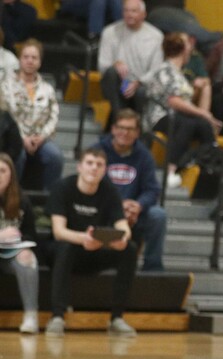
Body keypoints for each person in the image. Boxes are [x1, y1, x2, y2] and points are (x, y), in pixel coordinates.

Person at [44, 148, 139, 337]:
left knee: (130, 249)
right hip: (66, 250)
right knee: (66, 247)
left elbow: (123, 227)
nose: (94, 168)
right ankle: (57, 317)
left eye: (99, 165)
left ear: (104, 170)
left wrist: (121, 239)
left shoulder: (110, 191)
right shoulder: (63, 187)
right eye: (89, 163)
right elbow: (59, 231)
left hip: (95, 250)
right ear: (79, 166)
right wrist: (83, 238)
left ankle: (117, 318)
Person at [144, 32, 220, 188]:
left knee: (204, 126)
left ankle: (201, 164)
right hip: (161, 116)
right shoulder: (165, 70)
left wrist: (205, 117)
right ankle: (170, 170)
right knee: (189, 123)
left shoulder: (180, 74)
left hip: (181, 117)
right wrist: (203, 113)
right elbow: (174, 101)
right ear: (184, 49)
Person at [95, 109, 167, 271]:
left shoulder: (145, 155)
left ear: (137, 133)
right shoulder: (98, 151)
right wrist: (118, 207)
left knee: (158, 215)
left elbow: (152, 189)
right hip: (104, 210)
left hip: (134, 213)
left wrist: (138, 206)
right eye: (121, 127)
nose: (125, 133)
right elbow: (92, 184)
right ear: (113, 129)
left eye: (130, 129)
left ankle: (152, 268)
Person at [0, 39, 63, 190]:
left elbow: (53, 116)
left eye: (34, 58)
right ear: (19, 59)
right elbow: (5, 119)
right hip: (13, 138)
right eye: (26, 57)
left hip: (40, 138)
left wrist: (42, 137)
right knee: (17, 156)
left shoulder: (47, 89)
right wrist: (22, 138)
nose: (30, 61)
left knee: (55, 156)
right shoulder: (5, 85)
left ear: (40, 62)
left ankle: (47, 202)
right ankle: (13, 197)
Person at [98, 0, 164, 127]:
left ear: (143, 14)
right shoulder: (110, 32)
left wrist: (139, 82)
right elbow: (102, 65)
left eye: (133, 11)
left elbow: (156, 69)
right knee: (111, 72)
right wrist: (115, 64)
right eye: (126, 10)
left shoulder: (156, 36)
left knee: (142, 92)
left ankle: (138, 130)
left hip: (141, 84)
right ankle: (119, 122)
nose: (129, 14)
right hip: (121, 83)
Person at [0, 152, 38, 333]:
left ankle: (31, 316)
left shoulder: (22, 200)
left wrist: (21, 242)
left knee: (27, 258)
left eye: (2, 171)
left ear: (11, 175)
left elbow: (31, 234)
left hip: (9, 255)